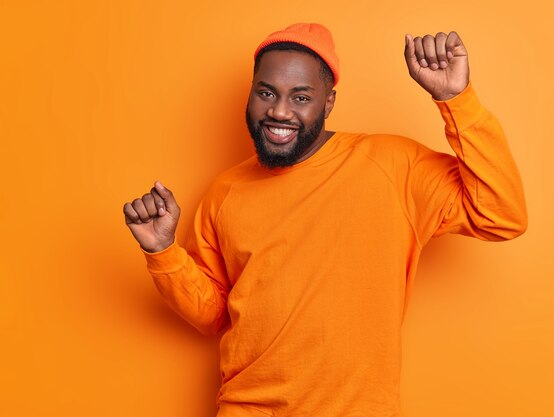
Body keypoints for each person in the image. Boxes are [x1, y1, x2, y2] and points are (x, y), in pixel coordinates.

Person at [123, 23, 527, 417]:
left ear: (328, 103)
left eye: (301, 97)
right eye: (267, 93)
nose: (279, 111)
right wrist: (162, 251)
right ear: (250, 94)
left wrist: (457, 100)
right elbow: (213, 314)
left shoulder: (392, 165)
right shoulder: (225, 191)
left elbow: (501, 214)